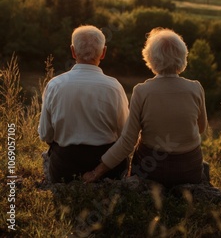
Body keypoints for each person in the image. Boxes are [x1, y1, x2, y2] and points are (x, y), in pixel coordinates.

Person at [83, 27, 208, 187]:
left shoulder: (142, 91)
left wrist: (96, 172)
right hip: (190, 170)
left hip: (153, 171)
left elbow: (128, 142)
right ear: (183, 56)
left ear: (150, 58)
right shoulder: (196, 88)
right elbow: (201, 128)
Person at [38, 25, 129, 183]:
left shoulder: (54, 85)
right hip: (108, 169)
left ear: (73, 51)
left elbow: (45, 134)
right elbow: (124, 135)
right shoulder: (115, 87)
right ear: (103, 53)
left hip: (65, 169)